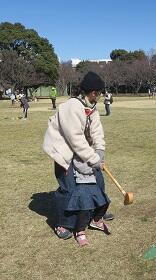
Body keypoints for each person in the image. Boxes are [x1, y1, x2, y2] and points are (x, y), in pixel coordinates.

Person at [43, 71, 111, 246]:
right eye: (100, 93)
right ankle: (62, 224)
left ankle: (96, 215)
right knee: (69, 189)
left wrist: (100, 150)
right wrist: (93, 157)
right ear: (94, 92)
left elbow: (97, 130)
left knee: (98, 181)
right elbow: (76, 139)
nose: (101, 96)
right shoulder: (72, 107)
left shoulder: (91, 106)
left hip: (81, 152)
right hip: (64, 153)